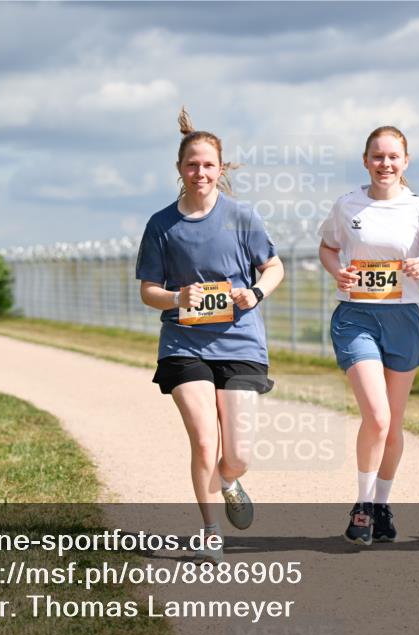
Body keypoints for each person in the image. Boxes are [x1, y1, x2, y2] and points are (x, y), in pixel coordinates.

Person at [136, 108, 284, 564]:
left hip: (240, 342)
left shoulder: (242, 217)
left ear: (221, 169)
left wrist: (254, 293)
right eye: (192, 165)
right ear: (179, 169)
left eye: (208, 165)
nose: (199, 172)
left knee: (237, 455)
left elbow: (273, 267)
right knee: (204, 440)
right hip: (183, 343)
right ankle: (210, 530)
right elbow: (148, 291)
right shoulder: (162, 225)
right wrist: (177, 298)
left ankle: (229, 480)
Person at [318, 126, 419, 546]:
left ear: (406, 161)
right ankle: (361, 505)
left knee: (392, 426)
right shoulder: (347, 205)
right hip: (356, 317)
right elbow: (326, 247)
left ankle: (381, 505)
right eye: (378, 156)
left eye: (393, 156)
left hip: (403, 320)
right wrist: (337, 271)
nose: (385, 164)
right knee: (376, 417)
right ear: (365, 161)